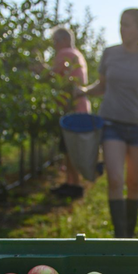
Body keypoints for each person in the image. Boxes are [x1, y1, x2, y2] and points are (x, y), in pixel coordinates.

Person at [77, 8, 138, 237]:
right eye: (121, 24)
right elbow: (100, 86)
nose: (122, 29)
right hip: (112, 124)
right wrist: (83, 91)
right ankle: (120, 236)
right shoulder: (110, 53)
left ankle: (129, 235)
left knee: (133, 183)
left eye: (127, 25)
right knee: (115, 179)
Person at [46, 26, 92, 199]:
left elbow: (53, 76)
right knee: (68, 149)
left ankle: (75, 185)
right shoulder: (76, 54)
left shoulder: (65, 53)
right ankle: (71, 182)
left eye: (55, 42)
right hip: (79, 107)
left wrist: (40, 70)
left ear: (64, 40)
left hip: (72, 109)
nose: (54, 46)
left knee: (70, 149)